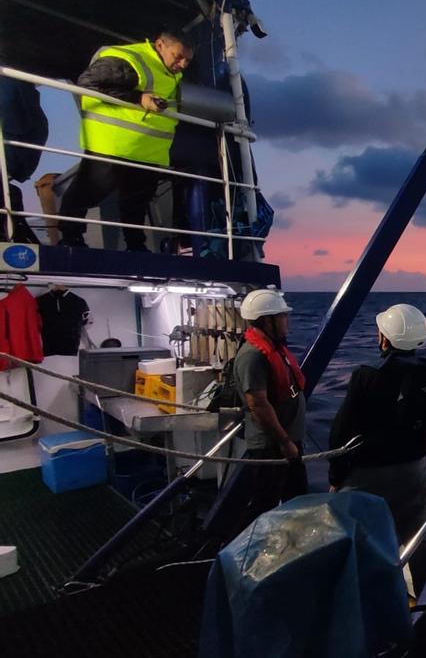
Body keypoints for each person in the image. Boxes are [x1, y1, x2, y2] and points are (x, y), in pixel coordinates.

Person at [329, 304, 426, 593]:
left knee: (362, 540)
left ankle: (366, 606)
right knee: (417, 537)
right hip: (413, 472)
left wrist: (336, 476)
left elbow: (340, 432)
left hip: (366, 476)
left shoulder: (365, 374)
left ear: (384, 339)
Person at [56, 28, 194, 251]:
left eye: (187, 60)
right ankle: (70, 238)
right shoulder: (128, 59)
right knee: (88, 192)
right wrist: (138, 98)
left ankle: (136, 245)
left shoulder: (171, 73)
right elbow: (88, 83)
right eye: (178, 57)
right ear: (160, 45)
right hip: (112, 145)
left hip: (148, 152)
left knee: (137, 202)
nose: (183, 64)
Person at [212, 288, 308, 539]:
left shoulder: (273, 348)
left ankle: (289, 546)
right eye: (283, 316)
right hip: (272, 446)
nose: (287, 321)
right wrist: (285, 442)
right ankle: (246, 552)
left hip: (287, 443)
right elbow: (258, 404)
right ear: (268, 321)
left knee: (295, 499)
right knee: (263, 504)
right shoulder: (252, 356)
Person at [0, 76, 48, 244]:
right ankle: (19, 233)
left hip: (11, 156)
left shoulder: (12, 85)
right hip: (13, 158)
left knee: (9, 194)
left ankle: (18, 233)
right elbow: (39, 129)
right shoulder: (16, 86)